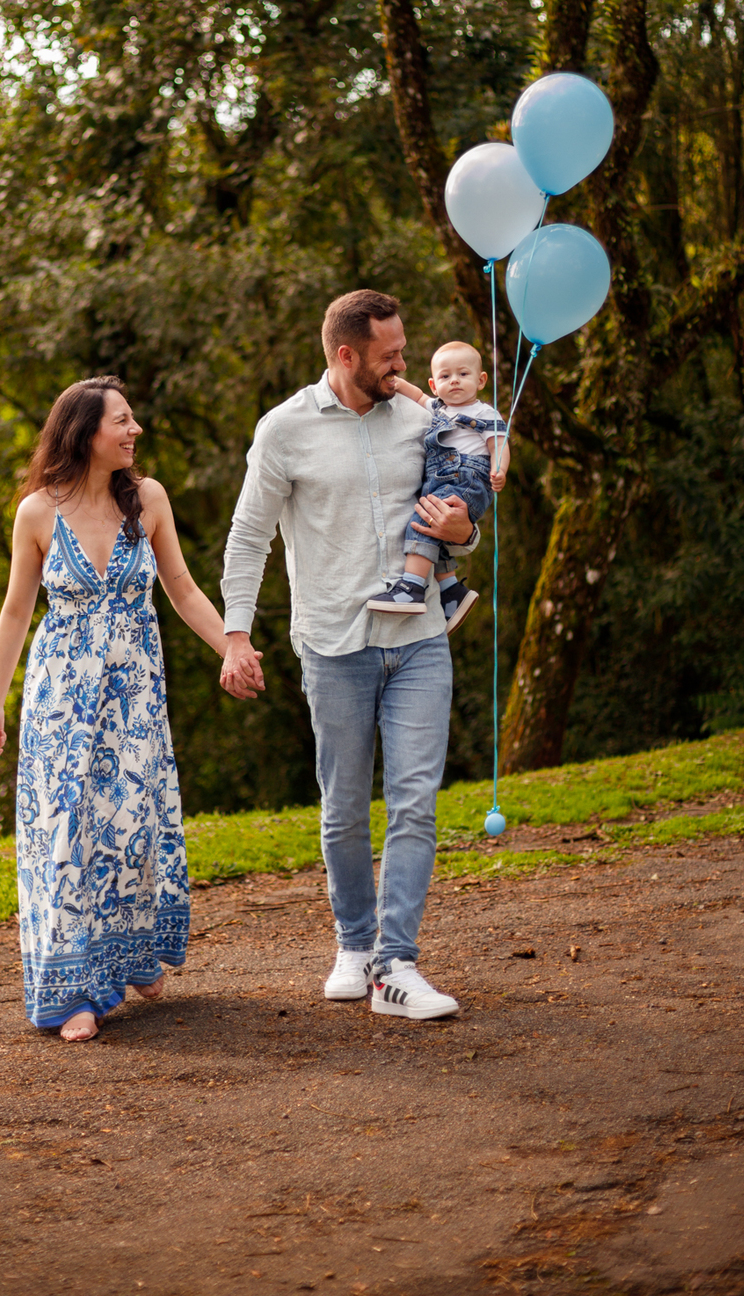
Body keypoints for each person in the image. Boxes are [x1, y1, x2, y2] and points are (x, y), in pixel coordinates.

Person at [218, 291, 480, 1022]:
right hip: (333, 645)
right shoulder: (285, 430)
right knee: (342, 812)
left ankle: (397, 965)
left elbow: (457, 520)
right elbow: (248, 536)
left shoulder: (426, 422)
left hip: (421, 639)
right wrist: (236, 633)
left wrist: (463, 529)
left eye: (405, 350)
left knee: (415, 801)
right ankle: (355, 945)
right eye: (392, 355)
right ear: (346, 356)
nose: (407, 365)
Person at [0, 377, 236, 1043]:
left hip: (134, 701)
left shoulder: (146, 501)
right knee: (66, 835)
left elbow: (180, 587)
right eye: (122, 421)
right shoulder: (37, 512)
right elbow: (14, 611)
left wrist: (231, 646)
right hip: (61, 703)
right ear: (85, 432)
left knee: (131, 825)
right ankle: (72, 993)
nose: (134, 431)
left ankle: (133, 956)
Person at [365, 339, 508, 629]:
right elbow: (415, 395)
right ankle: (451, 592)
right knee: (434, 531)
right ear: (434, 385)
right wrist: (392, 380)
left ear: (481, 380)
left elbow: (500, 445)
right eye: (445, 376)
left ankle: (412, 588)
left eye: (463, 374)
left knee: (423, 521)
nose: (454, 381)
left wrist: (499, 470)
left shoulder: (485, 413)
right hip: (441, 480)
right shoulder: (437, 408)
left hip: (468, 478)